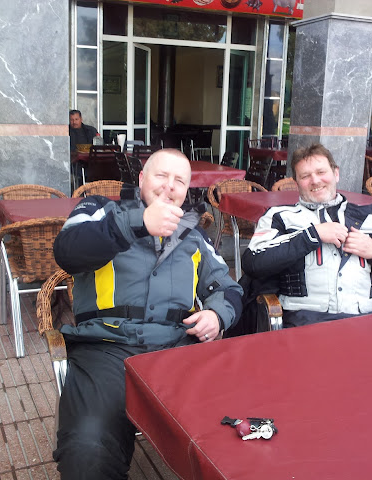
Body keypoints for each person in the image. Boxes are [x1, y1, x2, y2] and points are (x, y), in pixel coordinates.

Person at [52, 148, 243, 479]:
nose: (169, 186)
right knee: (87, 452)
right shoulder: (100, 209)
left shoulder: (194, 234)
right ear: (141, 179)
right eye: (161, 176)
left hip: (178, 351)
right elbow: (67, 251)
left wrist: (216, 315)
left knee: (229, 433)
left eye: (179, 180)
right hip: (106, 349)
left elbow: (228, 288)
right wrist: (136, 223)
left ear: (187, 190)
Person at [240, 143, 372, 328]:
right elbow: (253, 262)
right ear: (296, 183)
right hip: (303, 323)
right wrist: (312, 235)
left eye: (321, 172)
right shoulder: (279, 216)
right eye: (305, 176)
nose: (315, 180)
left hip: (365, 321)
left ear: (336, 174)